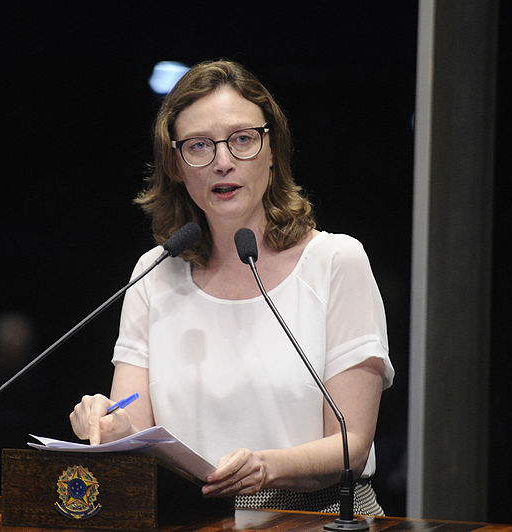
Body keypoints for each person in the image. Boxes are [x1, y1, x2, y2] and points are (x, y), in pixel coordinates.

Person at [69, 59, 394, 515]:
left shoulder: (335, 261)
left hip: (318, 518)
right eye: (199, 146)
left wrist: (264, 466)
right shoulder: (154, 272)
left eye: (242, 140)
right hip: (193, 519)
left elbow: (352, 443)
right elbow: (138, 431)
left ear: (273, 151)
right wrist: (108, 423)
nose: (223, 162)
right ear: (176, 165)